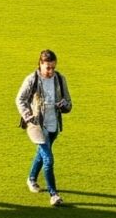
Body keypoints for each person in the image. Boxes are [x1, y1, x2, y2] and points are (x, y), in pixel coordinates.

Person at [16, 48, 74, 207]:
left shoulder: (60, 80)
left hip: (53, 124)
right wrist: (28, 116)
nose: (51, 71)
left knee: (42, 154)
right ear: (40, 64)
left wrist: (64, 105)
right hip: (37, 125)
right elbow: (20, 99)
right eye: (48, 67)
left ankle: (31, 178)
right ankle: (53, 194)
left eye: (53, 67)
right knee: (48, 159)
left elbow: (69, 103)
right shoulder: (31, 79)